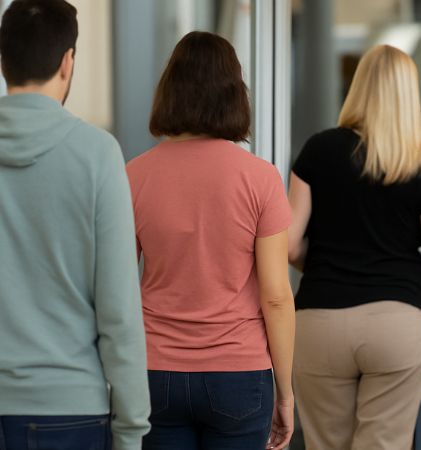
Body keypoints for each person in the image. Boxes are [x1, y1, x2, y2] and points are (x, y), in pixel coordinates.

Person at [126, 32, 295, 450]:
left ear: (170, 91)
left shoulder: (134, 175)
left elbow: (118, 286)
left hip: (155, 370)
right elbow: (275, 296)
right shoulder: (261, 178)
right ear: (234, 94)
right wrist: (286, 392)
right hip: (239, 374)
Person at [0, 1, 150, 449]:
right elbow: (118, 309)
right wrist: (131, 430)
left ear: (3, 58)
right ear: (68, 62)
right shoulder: (97, 154)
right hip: (72, 411)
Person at [288, 44, 421, 450]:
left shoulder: (317, 150)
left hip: (319, 320)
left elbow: (290, 247)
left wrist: (330, 272)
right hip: (396, 323)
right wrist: (408, 300)